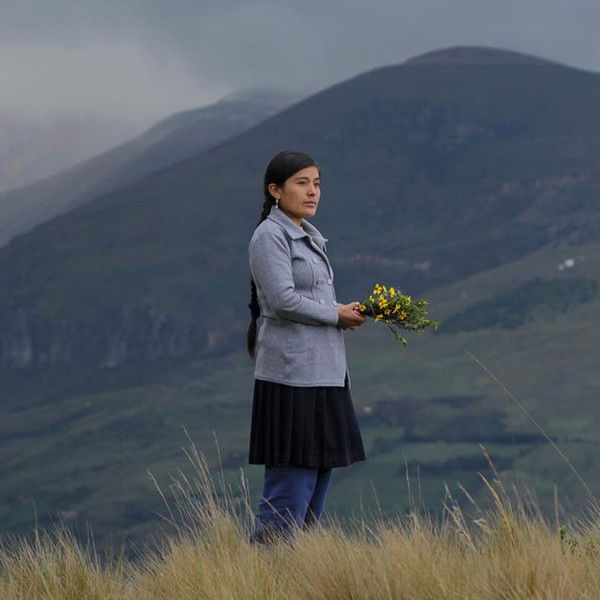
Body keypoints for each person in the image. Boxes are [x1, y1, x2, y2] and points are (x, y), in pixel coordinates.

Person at [245, 150, 367, 547]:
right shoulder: (270, 236)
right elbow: (282, 300)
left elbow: (310, 300)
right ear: (275, 190)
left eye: (316, 183)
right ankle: (265, 569)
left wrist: (345, 311)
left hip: (326, 374)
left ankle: (298, 571)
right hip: (292, 378)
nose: (313, 191)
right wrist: (335, 314)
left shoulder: (310, 236)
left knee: (315, 486)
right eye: (302, 183)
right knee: (290, 489)